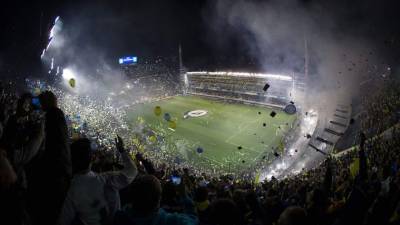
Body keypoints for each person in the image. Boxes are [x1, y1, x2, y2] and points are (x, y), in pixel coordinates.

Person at [59, 136, 137, 225]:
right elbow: (133, 171)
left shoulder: (70, 192)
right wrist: (122, 150)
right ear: (92, 159)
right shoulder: (107, 179)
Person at [28, 91, 72, 225]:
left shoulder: (54, 115)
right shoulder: (55, 115)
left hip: (55, 173)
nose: (39, 105)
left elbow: (54, 145)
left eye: (41, 102)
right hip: (59, 172)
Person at [114, 175, 198, 225]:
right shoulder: (170, 221)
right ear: (159, 199)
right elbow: (193, 219)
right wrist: (184, 196)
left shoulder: (119, 217)